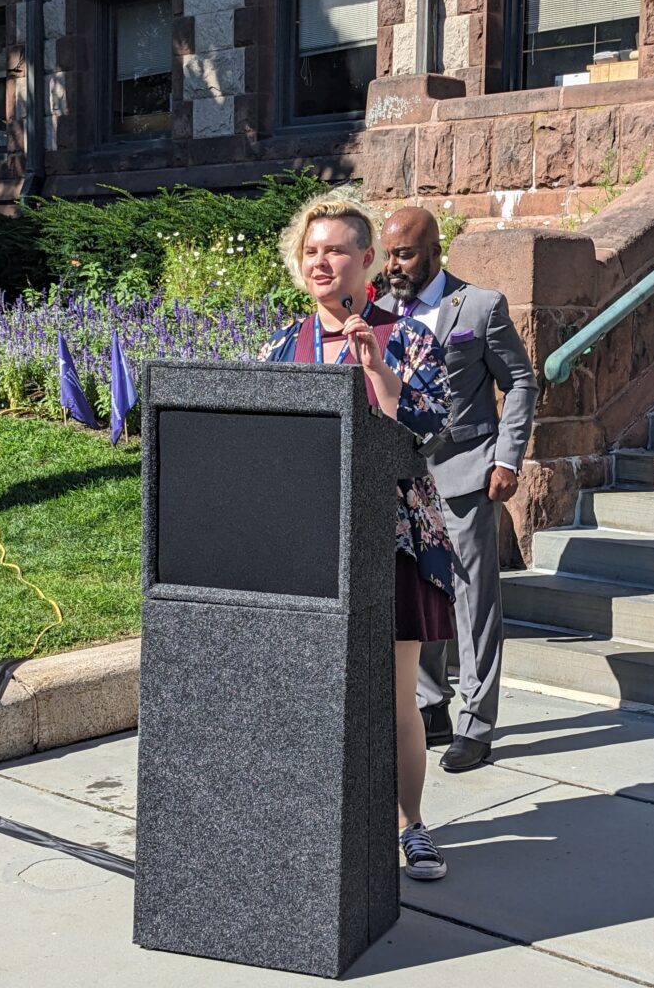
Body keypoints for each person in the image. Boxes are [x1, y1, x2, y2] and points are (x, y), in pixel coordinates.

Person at [258, 195, 455, 880]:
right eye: (313, 251)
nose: (322, 261)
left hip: (393, 539)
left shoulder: (410, 337)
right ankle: (318, 819)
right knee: (310, 688)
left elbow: (430, 434)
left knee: (396, 693)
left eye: (337, 249)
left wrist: (379, 372)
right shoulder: (280, 348)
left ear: (367, 260)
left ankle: (409, 825)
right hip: (309, 539)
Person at [379, 207, 538, 772]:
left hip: (468, 471)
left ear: (434, 251)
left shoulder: (479, 306)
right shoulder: (377, 312)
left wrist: (506, 457)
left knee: (473, 601)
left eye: (405, 254)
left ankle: (476, 723)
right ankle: (430, 706)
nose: (393, 265)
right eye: (388, 253)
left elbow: (519, 380)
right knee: (419, 593)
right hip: (399, 476)